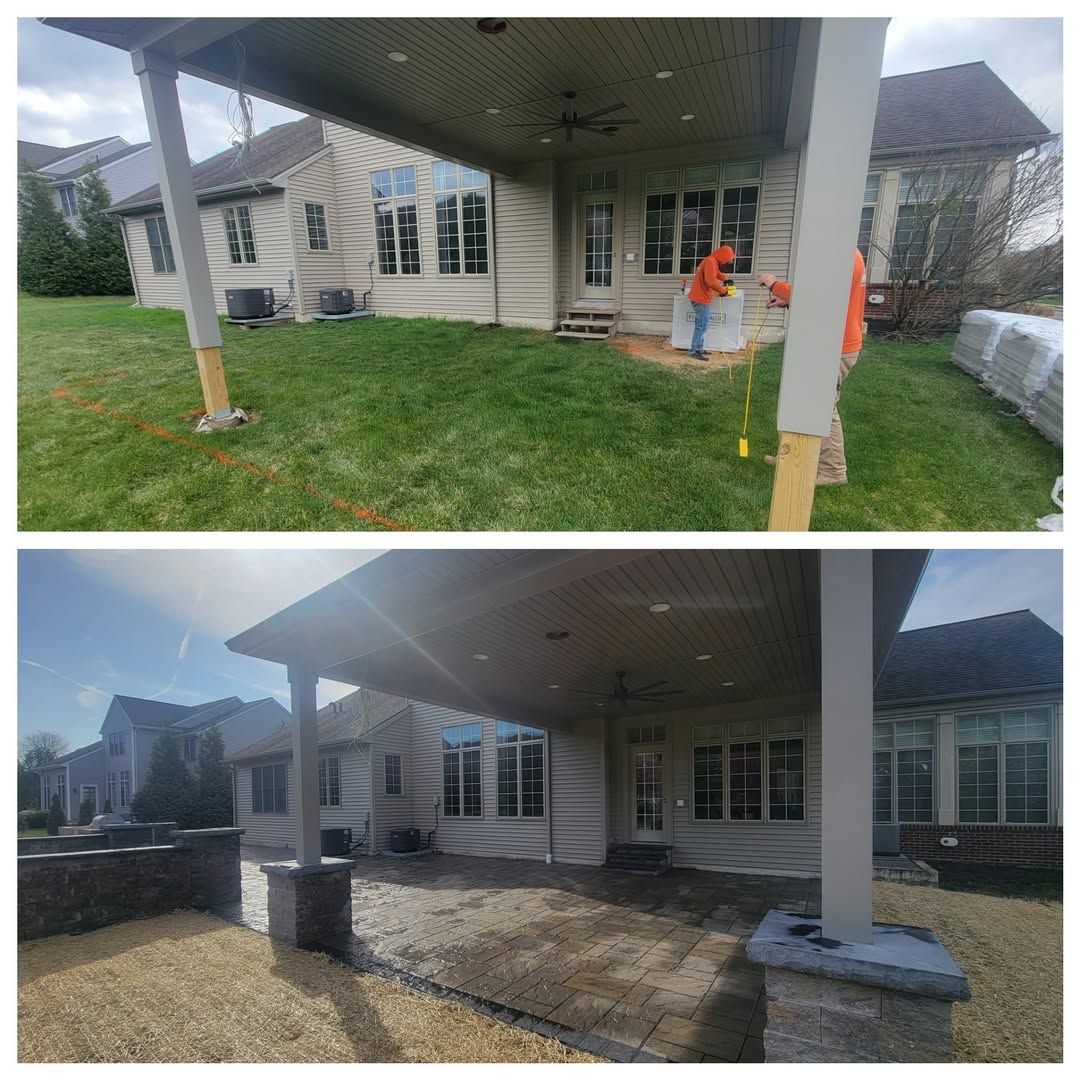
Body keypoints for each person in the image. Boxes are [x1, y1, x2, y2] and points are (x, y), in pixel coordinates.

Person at [758, 248, 867, 485]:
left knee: (823, 408)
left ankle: (833, 471)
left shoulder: (842, 252)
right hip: (832, 342)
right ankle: (791, 456)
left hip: (836, 346)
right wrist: (789, 301)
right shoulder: (848, 250)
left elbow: (813, 295)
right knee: (799, 401)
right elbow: (825, 301)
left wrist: (774, 284)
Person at [687, 244, 736, 361]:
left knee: (702, 325)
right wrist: (723, 290)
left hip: (699, 297)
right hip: (701, 298)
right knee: (701, 326)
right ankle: (693, 351)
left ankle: (699, 348)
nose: (726, 263)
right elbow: (710, 281)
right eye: (727, 260)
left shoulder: (710, 261)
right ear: (723, 256)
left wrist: (725, 279)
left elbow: (716, 273)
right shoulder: (710, 262)